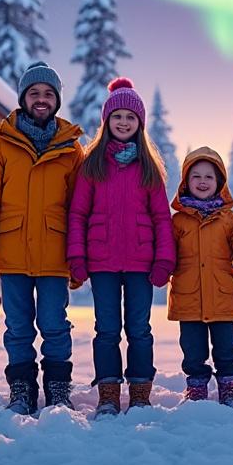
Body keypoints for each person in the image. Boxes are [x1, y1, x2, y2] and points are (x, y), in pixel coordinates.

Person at [0, 61, 84, 416]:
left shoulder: (71, 150)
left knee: (54, 325)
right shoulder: (0, 145)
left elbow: (79, 208)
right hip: (12, 252)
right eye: (34, 93)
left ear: (56, 101)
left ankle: (57, 389)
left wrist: (79, 255)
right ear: (23, 98)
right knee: (18, 327)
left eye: (48, 94)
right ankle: (21, 390)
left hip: (54, 254)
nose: (41, 99)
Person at [66, 78, 175, 417]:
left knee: (140, 329)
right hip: (102, 262)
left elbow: (161, 217)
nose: (124, 122)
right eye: (118, 116)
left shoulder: (148, 168)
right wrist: (77, 255)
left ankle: (141, 392)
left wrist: (164, 259)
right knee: (106, 329)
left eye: (131, 117)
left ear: (139, 123)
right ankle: (109, 393)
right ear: (107, 121)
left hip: (142, 262)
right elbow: (78, 213)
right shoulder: (92, 165)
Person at [167, 147, 233, 409]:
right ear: (186, 182)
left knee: (227, 349)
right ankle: (196, 387)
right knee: (193, 350)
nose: (203, 181)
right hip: (188, 298)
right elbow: (168, 254)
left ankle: (229, 388)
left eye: (209, 177)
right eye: (196, 176)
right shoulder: (178, 221)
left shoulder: (229, 220)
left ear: (219, 183)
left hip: (222, 297)